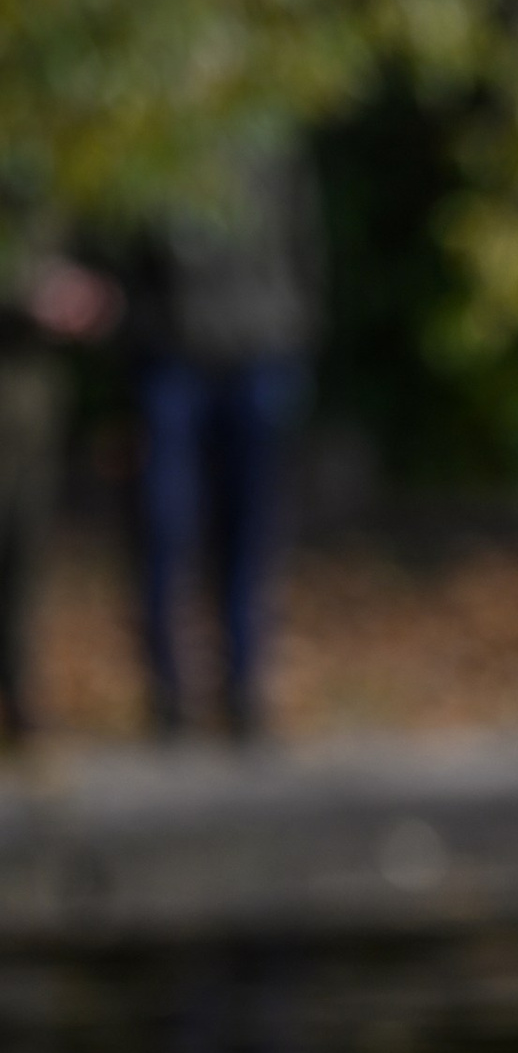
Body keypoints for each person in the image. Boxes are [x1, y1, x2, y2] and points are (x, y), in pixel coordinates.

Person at [132, 143, 320, 737]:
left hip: (259, 355)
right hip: (173, 360)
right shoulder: (153, 132)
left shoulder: (270, 139)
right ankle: (169, 696)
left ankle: (243, 690)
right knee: (167, 527)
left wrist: (293, 334)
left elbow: (306, 250)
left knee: (251, 532)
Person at [0, 244, 122, 747]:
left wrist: (92, 301)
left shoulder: (50, 186)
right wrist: (24, 294)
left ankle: (20, 695)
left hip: (35, 408)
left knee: (22, 561)